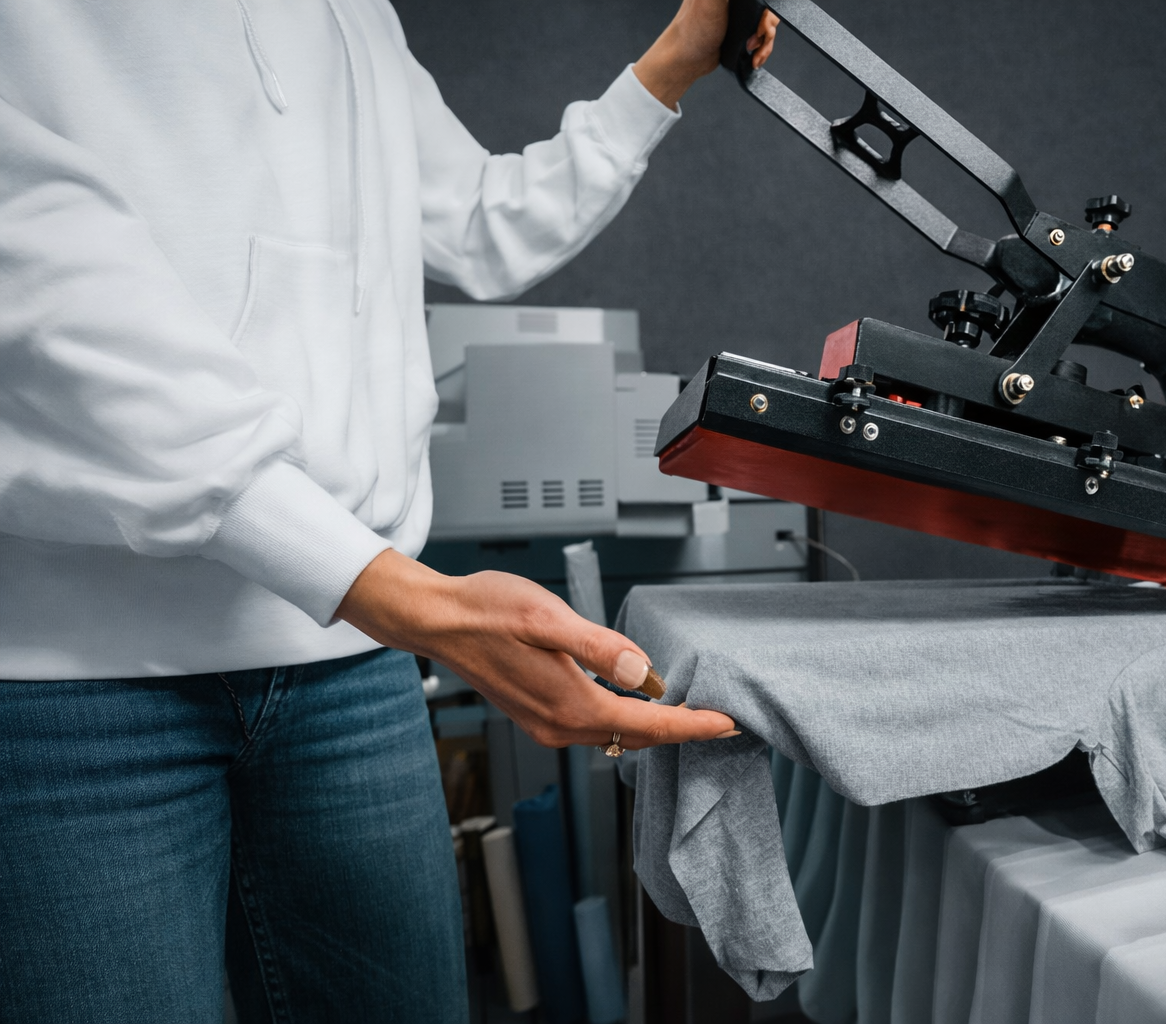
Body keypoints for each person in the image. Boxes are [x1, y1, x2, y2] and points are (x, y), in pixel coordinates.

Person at [0, 1, 777, 1020]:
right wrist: (413, 601)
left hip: (350, 669)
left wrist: (675, 61)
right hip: (80, 682)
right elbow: (47, 293)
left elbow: (480, 225)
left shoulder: (356, 12)